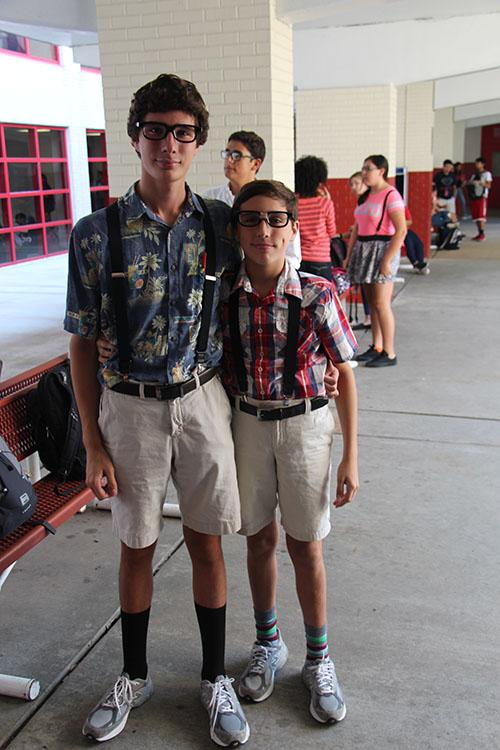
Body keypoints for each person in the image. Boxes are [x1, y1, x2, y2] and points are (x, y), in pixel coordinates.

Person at [65, 73, 251, 747]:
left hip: (202, 400)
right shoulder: (96, 233)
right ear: (135, 136)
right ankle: (134, 674)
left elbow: (270, 278)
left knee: (206, 540)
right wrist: (92, 441)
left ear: (197, 142)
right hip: (130, 406)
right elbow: (81, 341)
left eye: (182, 133)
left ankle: (213, 677)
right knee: (136, 542)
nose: (168, 144)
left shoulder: (222, 225)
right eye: (155, 131)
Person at [222, 179, 358, 725]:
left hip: (306, 429)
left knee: (307, 546)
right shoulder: (222, 294)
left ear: (293, 227)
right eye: (251, 220)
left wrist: (350, 456)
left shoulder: (317, 294)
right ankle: (267, 642)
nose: (263, 231)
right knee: (259, 539)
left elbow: (344, 372)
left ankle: (319, 659)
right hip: (247, 425)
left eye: (276, 219)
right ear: (237, 231)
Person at [203, 130, 301, 269]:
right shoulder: (209, 199)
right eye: (227, 153)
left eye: (237, 155)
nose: (229, 160)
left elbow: (292, 257)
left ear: (255, 164)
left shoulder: (275, 201)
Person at [344, 154, 407, 368]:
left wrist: (387, 260)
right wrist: (349, 255)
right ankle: (377, 346)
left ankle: (389, 352)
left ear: (381, 171)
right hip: (365, 250)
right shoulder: (367, 195)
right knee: (372, 304)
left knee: (382, 303)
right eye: (362, 168)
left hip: (382, 250)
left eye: (367, 169)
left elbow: (401, 230)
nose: (364, 173)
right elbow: (357, 229)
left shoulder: (391, 195)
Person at [295, 155, 337, 281]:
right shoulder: (325, 204)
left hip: (299, 260)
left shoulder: (292, 203)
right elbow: (332, 232)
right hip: (321, 261)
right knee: (325, 298)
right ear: (320, 182)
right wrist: (327, 200)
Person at [347, 172, 371, 330]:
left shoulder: (372, 199)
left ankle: (371, 318)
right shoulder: (362, 201)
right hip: (361, 247)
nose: (353, 187)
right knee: (364, 285)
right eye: (351, 184)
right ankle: (368, 317)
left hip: (371, 248)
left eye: (356, 183)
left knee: (371, 288)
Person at [467, 157, 493, 241]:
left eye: (478, 163)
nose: (476, 165)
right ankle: (479, 233)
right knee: (476, 217)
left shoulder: (487, 174)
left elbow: (489, 186)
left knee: (481, 216)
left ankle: (482, 234)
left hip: (482, 197)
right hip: (474, 196)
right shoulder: (474, 174)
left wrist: (481, 183)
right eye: (476, 163)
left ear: (482, 164)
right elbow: (470, 183)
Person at [404, 206, 429, 275]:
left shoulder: (403, 208)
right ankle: (415, 262)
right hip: (395, 231)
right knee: (409, 244)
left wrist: (400, 222)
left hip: (405, 230)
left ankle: (420, 264)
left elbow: (410, 221)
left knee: (419, 243)